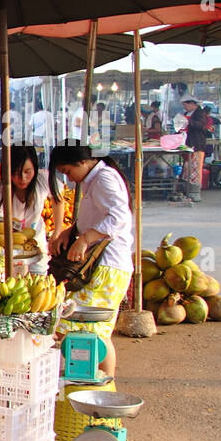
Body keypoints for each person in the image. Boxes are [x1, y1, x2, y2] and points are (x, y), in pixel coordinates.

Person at [49, 143, 136, 379]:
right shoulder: (97, 180)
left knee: (88, 327)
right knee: (93, 329)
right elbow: (96, 216)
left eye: (67, 172)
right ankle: (97, 381)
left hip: (108, 266)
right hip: (106, 266)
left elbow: (119, 216)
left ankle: (102, 382)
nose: (68, 179)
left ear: (83, 162)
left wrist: (85, 239)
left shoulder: (104, 179)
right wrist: (72, 231)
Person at [0, 144, 51, 274]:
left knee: (39, 282)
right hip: (8, 249)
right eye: (15, 173)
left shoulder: (42, 180)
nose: (22, 179)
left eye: (27, 172)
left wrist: (59, 230)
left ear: (35, 168)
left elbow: (59, 200)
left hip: (37, 246)